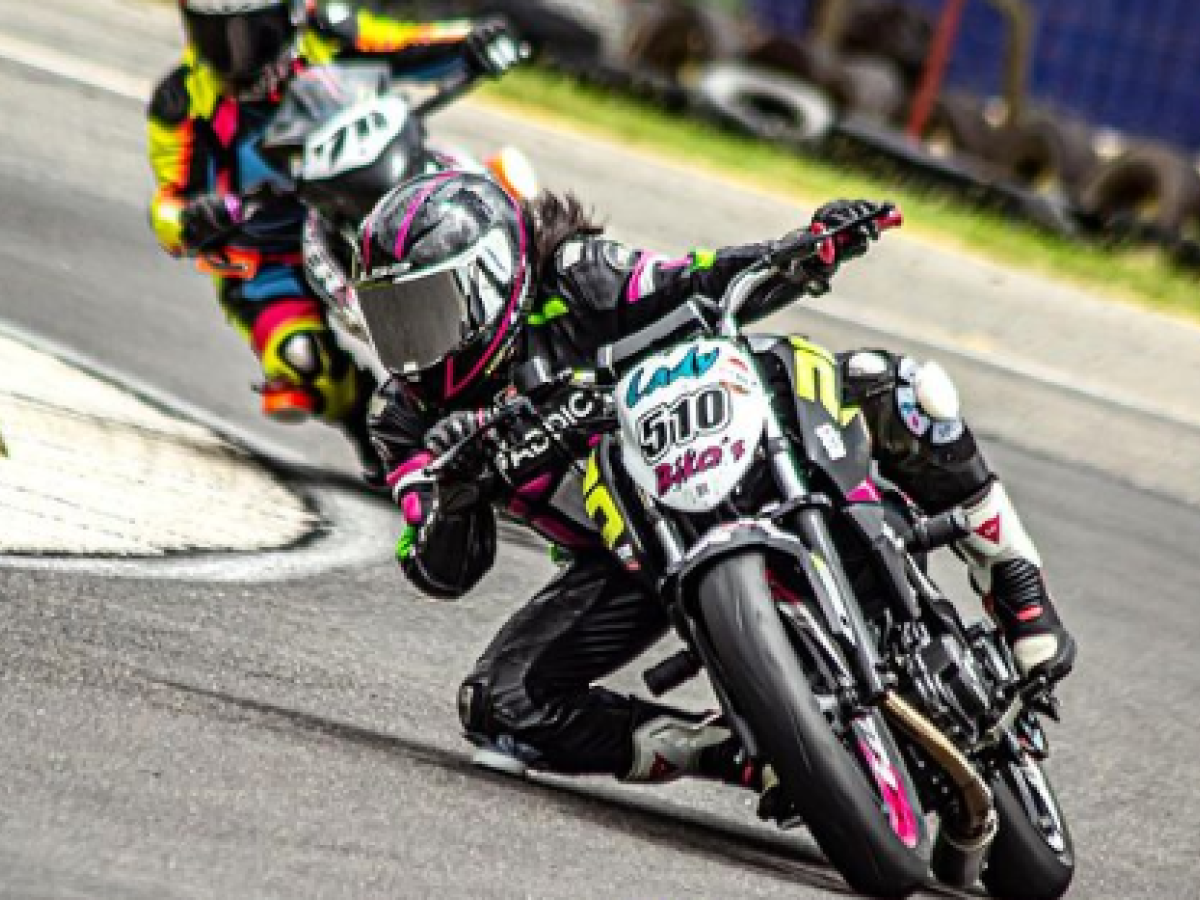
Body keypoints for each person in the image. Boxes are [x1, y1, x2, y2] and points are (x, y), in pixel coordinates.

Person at [358, 171, 1077, 787]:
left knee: (899, 388)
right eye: (393, 320)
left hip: (721, 439)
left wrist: (803, 251)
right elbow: (442, 570)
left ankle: (1017, 586)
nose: (413, 345)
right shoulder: (403, 418)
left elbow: (694, 279)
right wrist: (454, 496)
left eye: (426, 310)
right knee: (501, 705)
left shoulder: (576, 276)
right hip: (625, 559)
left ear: (491, 280)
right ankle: (738, 754)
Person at [145, 0, 520, 484]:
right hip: (266, 258)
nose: (234, 51)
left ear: (286, 14)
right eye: (215, 34)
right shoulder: (178, 103)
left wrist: (472, 39)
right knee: (300, 358)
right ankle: (373, 430)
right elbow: (168, 202)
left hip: (365, 197)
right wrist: (192, 219)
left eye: (249, 30)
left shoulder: (325, 31)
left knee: (488, 192)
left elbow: (401, 43)